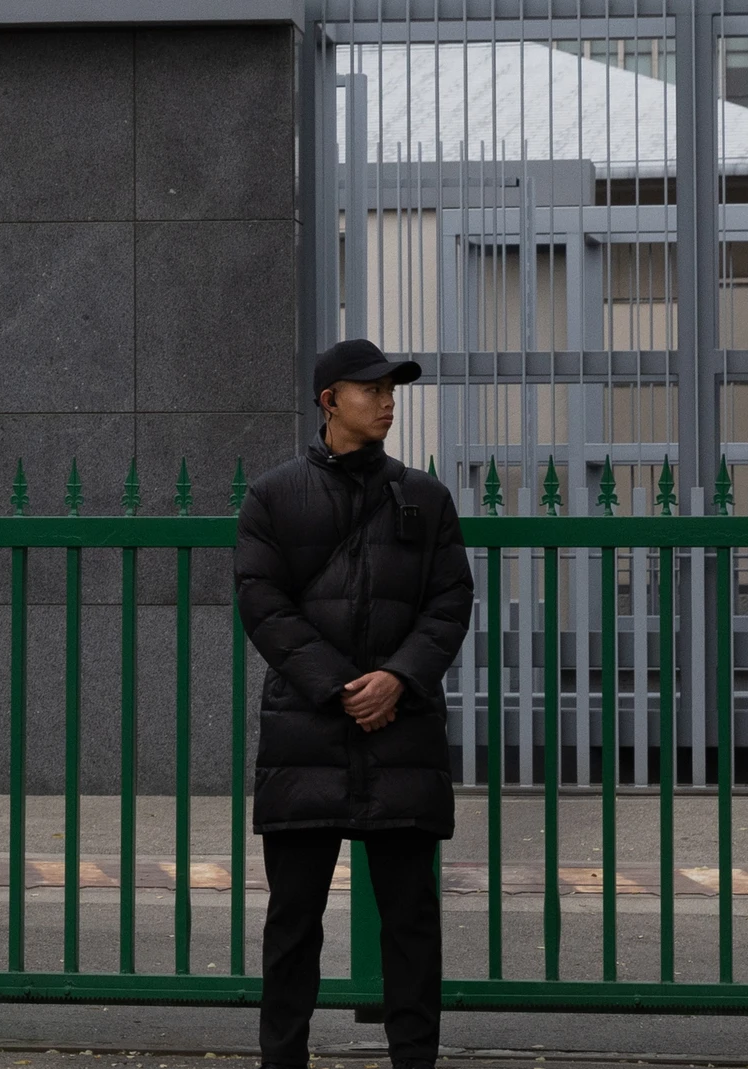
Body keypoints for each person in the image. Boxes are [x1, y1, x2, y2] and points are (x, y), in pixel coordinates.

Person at [234, 338, 474, 1069]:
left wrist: (397, 678)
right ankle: (283, 1060)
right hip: (306, 736)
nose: (388, 402)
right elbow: (263, 604)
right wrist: (341, 687)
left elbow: (450, 599)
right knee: (293, 923)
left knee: (411, 923)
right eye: (372, 390)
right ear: (329, 400)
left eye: (392, 390)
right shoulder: (274, 496)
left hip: (402, 735)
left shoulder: (424, 497)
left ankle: (415, 1061)